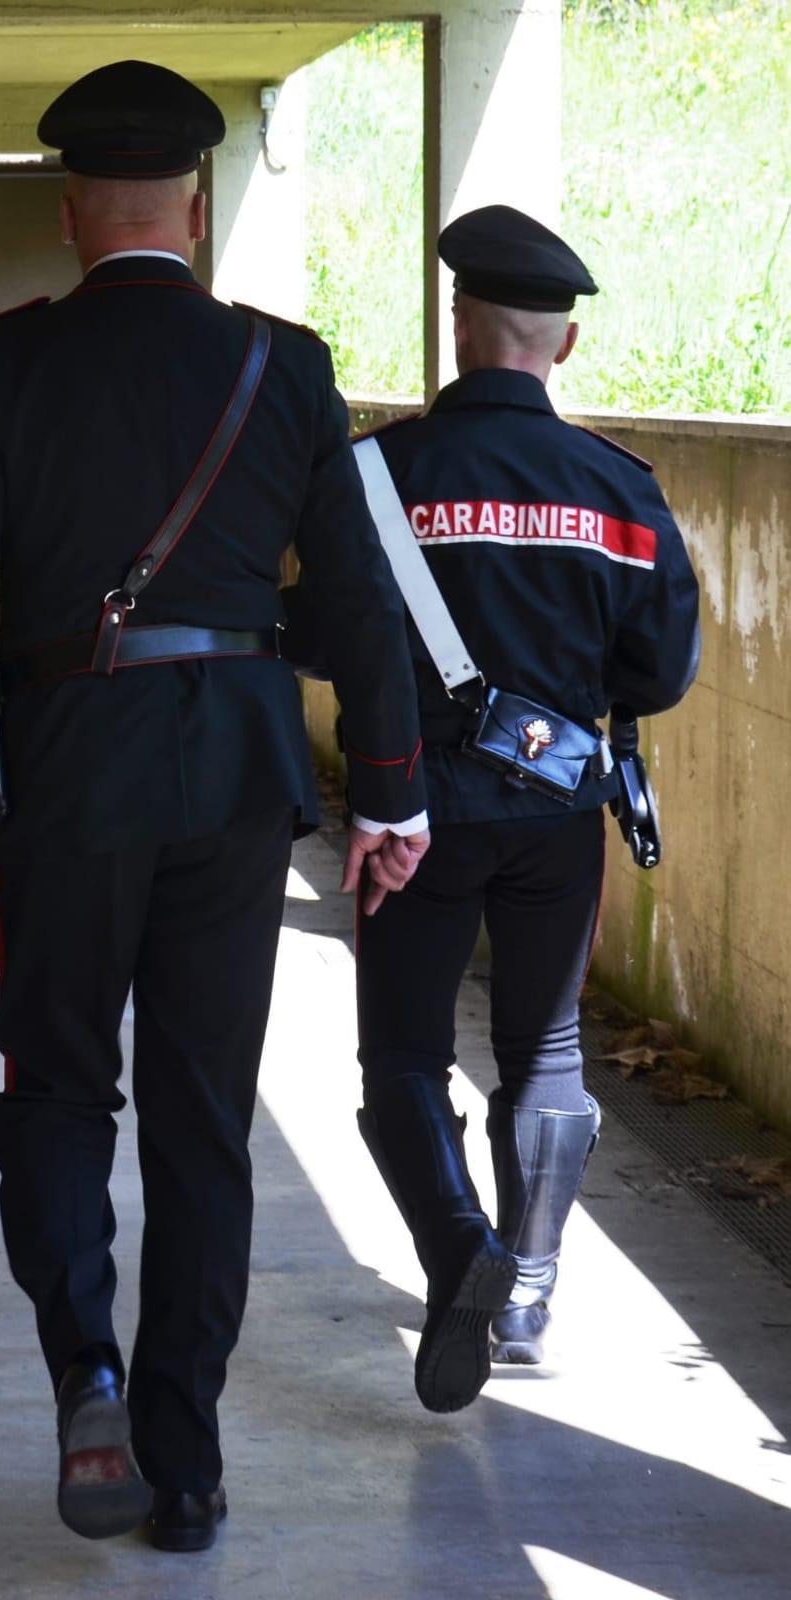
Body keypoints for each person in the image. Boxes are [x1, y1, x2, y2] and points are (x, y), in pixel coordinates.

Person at [0, 60, 429, 1553]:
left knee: (54, 1089)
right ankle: (188, 1465)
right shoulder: (284, 367)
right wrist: (393, 795)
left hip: (66, 784)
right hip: (236, 780)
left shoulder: (1, 365)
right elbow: (362, 603)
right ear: (194, 207)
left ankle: (85, 1371)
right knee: (200, 1126)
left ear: (67, 216)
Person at [349, 205, 700, 1411]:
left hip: (411, 812)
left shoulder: (377, 477)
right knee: (545, 1046)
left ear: (459, 329)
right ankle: (537, 1283)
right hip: (557, 810)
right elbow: (661, 671)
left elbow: (327, 635)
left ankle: (465, 1254)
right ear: (564, 348)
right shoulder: (620, 490)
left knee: (401, 1051)